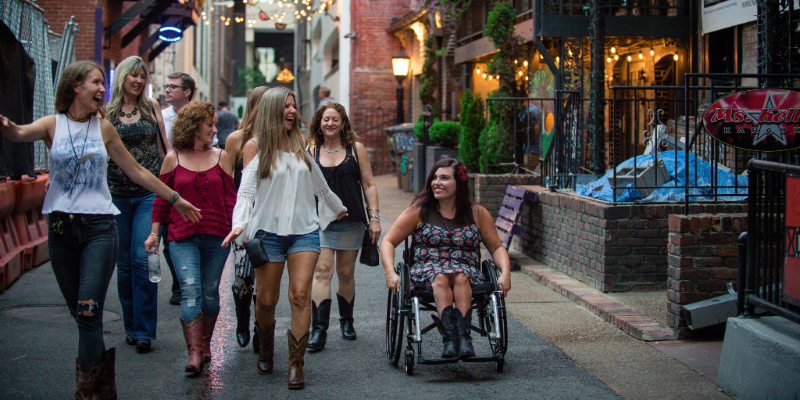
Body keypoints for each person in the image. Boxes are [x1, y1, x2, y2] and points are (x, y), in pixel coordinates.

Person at [0, 61, 201, 398]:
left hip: (99, 228)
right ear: (75, 87)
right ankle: (102, 389)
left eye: (102, 84)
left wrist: (174, 197)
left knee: (89, 308)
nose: (101, 89)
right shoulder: (53, 125)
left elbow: (137, 169)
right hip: (62, 230)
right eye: (95, 83)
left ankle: (90, 393)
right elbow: (18, 133)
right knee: (81, 316)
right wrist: (6, 125)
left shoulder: (104, 128)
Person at [222, 87, 346, 390]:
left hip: (304, 232)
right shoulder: (255, 146)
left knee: (301, 296)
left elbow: (317, 180)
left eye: (294, 106)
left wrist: (335, 207)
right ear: (272, 110)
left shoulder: (303, 143)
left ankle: (295, 364)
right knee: (265, 300)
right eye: (285, 106)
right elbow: (247, 190)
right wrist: (239, 224)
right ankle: (265, 347)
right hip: (267, 234)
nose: (292, 111)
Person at [380, 158, 511, 360]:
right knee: (441, 277)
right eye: (434, 177)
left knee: (460, 276)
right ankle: (450, 339)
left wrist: (505, 273)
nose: (437, 182)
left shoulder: (477, 213)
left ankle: (464, 339)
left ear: (459, 183)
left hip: (465, 271)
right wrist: (390, 272)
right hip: (427, 271)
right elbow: (388, 242)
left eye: (444, 178)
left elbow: (496, 247)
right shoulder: (418, 211)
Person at [144, 102, 236, 376]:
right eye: (209, 124)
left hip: (217, 235)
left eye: (215, 124)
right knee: (190, 289)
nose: (214, 129)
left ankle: (206, 344)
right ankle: (194, 352)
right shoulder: (172, 158)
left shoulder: (223, 157)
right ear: (193, 125)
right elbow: (162, 200)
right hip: (181, 236)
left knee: (210, 292)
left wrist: (236, 228)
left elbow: (231, 198)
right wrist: (153, 232)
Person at [106, 56, 171, 354]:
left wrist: (171, 183)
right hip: (115, 194)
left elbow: (163, 148)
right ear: (122, 77)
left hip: (147, 193)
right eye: (133, 75)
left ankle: (145, 331)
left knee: (142, 257)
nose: (138, 80)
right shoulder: (107, 112)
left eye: (142, 76)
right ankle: (130, 327)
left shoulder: (151, 107)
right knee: (123, 265)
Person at [306, 102, 381, 351]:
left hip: (351, 221)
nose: (330, 123)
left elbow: (369, 184)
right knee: (322, 271)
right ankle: (319, 330)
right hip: (320, 221)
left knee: (346, 273)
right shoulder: (310, 150)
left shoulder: (355, 149)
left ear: (343, 123)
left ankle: (347, 322)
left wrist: (375, 217)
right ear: (319, 122)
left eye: (335, 119)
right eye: (326, 119)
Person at [223, 86, 268, 351]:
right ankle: (242, 322)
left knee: (265, 276)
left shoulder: (280, 139)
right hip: (242, 215)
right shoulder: (236, 139)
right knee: (243, 276)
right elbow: (227, 182)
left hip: (269, 216)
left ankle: (260, 329)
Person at [161, 71, 203, 305]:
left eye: (173, 86)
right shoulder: (161, 117)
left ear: (186, 92)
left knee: (183, 237)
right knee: (168, 240)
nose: (167, 90)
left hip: (190, 188)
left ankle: (186, 282)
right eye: (167, 86)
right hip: (166, 183)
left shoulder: (198, 115)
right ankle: (180, 282)